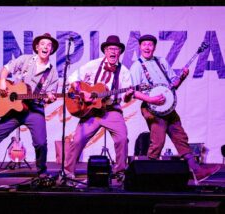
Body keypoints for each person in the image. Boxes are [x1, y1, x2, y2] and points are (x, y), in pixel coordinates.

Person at [129, 34, 220, 182]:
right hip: (151, 106)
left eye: (150, 44)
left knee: (180, 136)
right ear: (140, 47)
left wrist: (182, 77)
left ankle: (197, 171)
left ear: (154, 47)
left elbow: (173, 85)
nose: (147, 47)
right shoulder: (136, 66)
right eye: (144, 44)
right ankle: (148, 177)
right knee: (158, 140)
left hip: (168, 105)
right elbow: (134, 92)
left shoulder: (161, 61)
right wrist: (151, 99)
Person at [0, 33, 59, 177]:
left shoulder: (52, 72)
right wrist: (2, 81)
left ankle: (42, 174)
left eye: (49, 45)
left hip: (34, 110)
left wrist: (50, 98)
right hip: (14, 109)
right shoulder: (25, 60)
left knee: (40, 143)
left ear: (51, 50)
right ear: (37, 47)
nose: (46, 47)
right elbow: (6, 68)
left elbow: (51, 95)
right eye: (43, 44)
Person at [64, 35, 134, 184]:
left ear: (120, 52)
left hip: (111, 110)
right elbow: (73, 77)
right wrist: (82, 91)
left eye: (116, 49)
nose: (113, 51)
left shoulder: (125, 72)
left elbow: (127, 98)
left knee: (122, 139)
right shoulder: (93, 65)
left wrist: (128, 95)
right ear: (105, 51)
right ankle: (67, 172)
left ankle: (120, 171)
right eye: (110, 49)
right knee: (77, 140)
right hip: (92, 111)